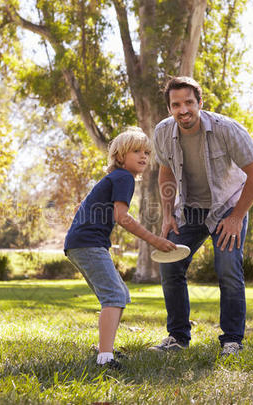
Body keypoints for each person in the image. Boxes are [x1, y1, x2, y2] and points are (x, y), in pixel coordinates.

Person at [150, 76, 253, 355]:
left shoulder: (228, 130)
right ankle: (177, 337)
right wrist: (168, 214)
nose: (183, 110)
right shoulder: (163, 132)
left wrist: (237, 217)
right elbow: (165, 172)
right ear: (169, 109)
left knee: (227, 267)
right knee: (170, 265)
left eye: (189, 102)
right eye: (176, 104)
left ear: (200, 103)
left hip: (228, 206)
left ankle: (232, 341)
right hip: (189, 208)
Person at [65, 127, 177, 369]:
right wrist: (155, 240)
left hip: (81, 244)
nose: (144, 156)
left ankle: (105, 348)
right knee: (114, 296)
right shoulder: (124, 177)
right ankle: (105, 358)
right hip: (88, 244)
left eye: (147, 152)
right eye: (136, 151)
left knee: (119, 295)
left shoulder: (115, 178)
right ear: (119, 156)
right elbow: (122, 217)